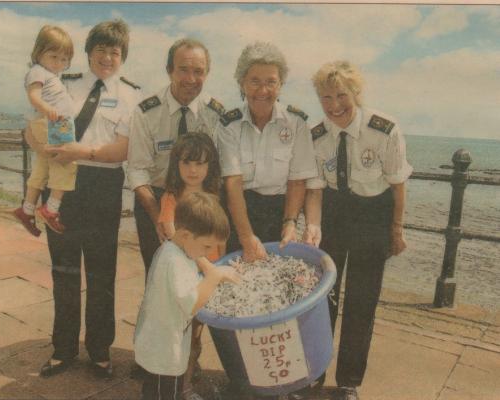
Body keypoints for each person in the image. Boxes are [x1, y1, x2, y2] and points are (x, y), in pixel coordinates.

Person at [25, 20, 142, 379]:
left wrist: (81, 150)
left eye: (115, 51)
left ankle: (99, 350)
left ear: (122, 57)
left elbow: (124, 149)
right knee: (63, 271)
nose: (107, 57)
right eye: (101, 49)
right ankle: (62, 349)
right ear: (88, 52)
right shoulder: (62, 83)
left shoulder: (130, 95)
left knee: (102, 272)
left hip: (103, 188)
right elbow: (31, 127)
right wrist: (44, 148)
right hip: (62, 185)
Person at [303, 61, 412, 400]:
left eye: (341, 95)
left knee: (362, 303)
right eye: (325, 97)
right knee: (324, 298)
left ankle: (349, 381)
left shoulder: (384, 128)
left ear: (356, 93)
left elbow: (397, 185)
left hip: (373, 216)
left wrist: (396, 229)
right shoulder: (317, 135)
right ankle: (314, 373)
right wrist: (314, 228)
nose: (334, 105)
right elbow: (316, 190)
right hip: (334, 212)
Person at [216, 41, 319, 399]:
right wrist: (245, 237)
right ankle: (241, 380)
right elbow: (232, 183)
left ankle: (282, 381)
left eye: (271, 81)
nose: (263, 90)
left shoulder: (297, 122)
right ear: (242, 83)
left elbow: (297, 179)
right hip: (239, 211)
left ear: (281, 84)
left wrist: (290, 221)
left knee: (283, 298)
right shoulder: (228, 124)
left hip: (280, 213)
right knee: (236, 295)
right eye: (255, 81)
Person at [127, 38, 226, 276]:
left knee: (203, 276)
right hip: (156, 199)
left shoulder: (216, 114)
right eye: (183, 70)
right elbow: (137, 170)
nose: (191, 79)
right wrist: (157, 216)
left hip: (203, 202)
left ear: (207, 73)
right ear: (169, 70)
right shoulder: (146, 112)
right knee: (159, 277)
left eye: (198, 72)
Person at [134, 192, 241, 400]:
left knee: (154, 392)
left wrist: (213, 274)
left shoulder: (177, 250)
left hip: (160, 343)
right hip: (165, 350)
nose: (209, 252)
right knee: (165, 394)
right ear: (184, 235)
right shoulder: (175, 262)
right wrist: (214, 277)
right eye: (207, 246)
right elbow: (191, 304)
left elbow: (193, 279)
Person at [158, 133, 224, 399]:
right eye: (186, 163)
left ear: (210, 167)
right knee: (182, 335)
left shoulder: (214, 196)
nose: (193, 170)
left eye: (200, 163)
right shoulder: (171, 198)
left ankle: (190, 371)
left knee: (197, 335)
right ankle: (182, 388)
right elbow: (175, 235)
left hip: (211, 273)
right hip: (187, 276)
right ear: (176, 165)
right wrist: (206, 266)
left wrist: (221, 267)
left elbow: (221, 237)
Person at [13, 25, 76, 236]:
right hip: (55, 122)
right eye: (53, 56)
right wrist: (49, 111)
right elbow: (34, 96)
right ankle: (50, 210)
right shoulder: (38, 71)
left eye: (64, 59)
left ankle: (27, 209)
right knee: (66, 162)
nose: (59, 63)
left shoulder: (49, 74)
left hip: (49, 122)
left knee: (43, 165)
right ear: (39, 52)